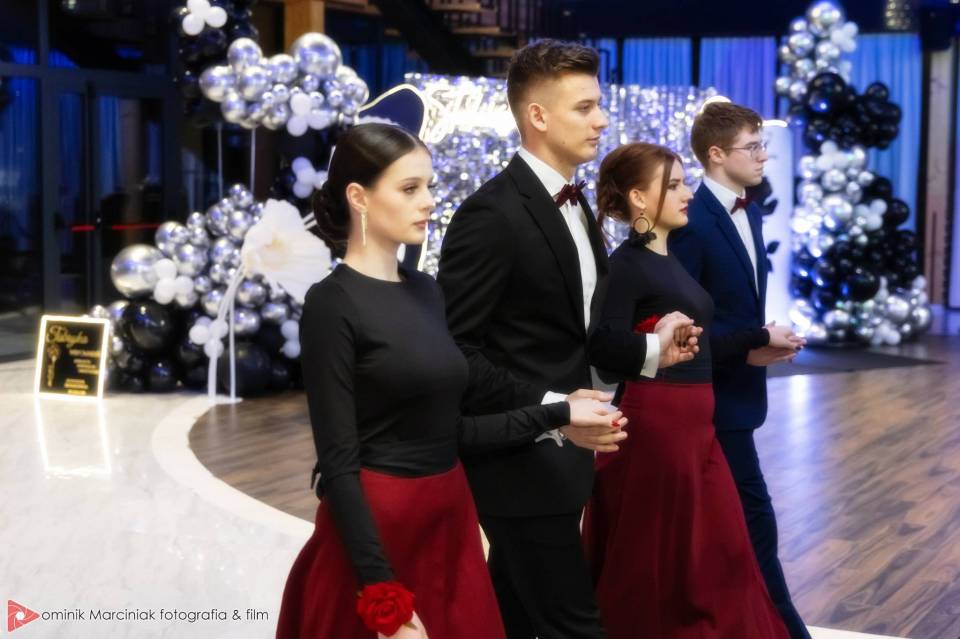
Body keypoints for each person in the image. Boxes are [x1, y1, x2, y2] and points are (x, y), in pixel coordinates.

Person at [275, 123, 629, 639]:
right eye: (409, 188)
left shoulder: (426, 291)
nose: (427, 201)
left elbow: (454, 433)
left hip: (448, 520)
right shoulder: (332, 304)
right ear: (359, 197)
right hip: (380, 532)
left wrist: (559, 414)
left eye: (429, 186)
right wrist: (382, 594)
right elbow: (339, 465)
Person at [437, 41, 699, 639]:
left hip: (565, 460)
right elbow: (458, 352)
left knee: (512, 615)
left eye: (598, 105)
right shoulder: (491, 215)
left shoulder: (577, 207)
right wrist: (555, 413)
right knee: (575, 625)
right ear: (538, 116)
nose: (601, 120)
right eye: (584, 107)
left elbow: (576, 337)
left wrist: (651, 349)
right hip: (518, 464)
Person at [584, 141, 801, 638]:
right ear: (639, 198)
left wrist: (752, 343)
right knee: (669, 560)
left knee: (717, 551)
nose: (687, 194)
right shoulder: (628, 265)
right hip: (660, 425)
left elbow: (694, 342)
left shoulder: (668, 258)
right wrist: (654, 343)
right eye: (675, 185)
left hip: (695, 423)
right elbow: (604, 344)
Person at [668, 102, 813, 639]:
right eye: (752, 147)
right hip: (707, 402)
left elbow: (732, 311)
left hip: (739, 394)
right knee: (752, 524)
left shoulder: (748, 211)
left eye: (761, 145)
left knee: (737, 527)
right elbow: (680, 328)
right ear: (715, 154)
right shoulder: (691, 221)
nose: (763, 156)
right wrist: (750, 344)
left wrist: (761, 340)